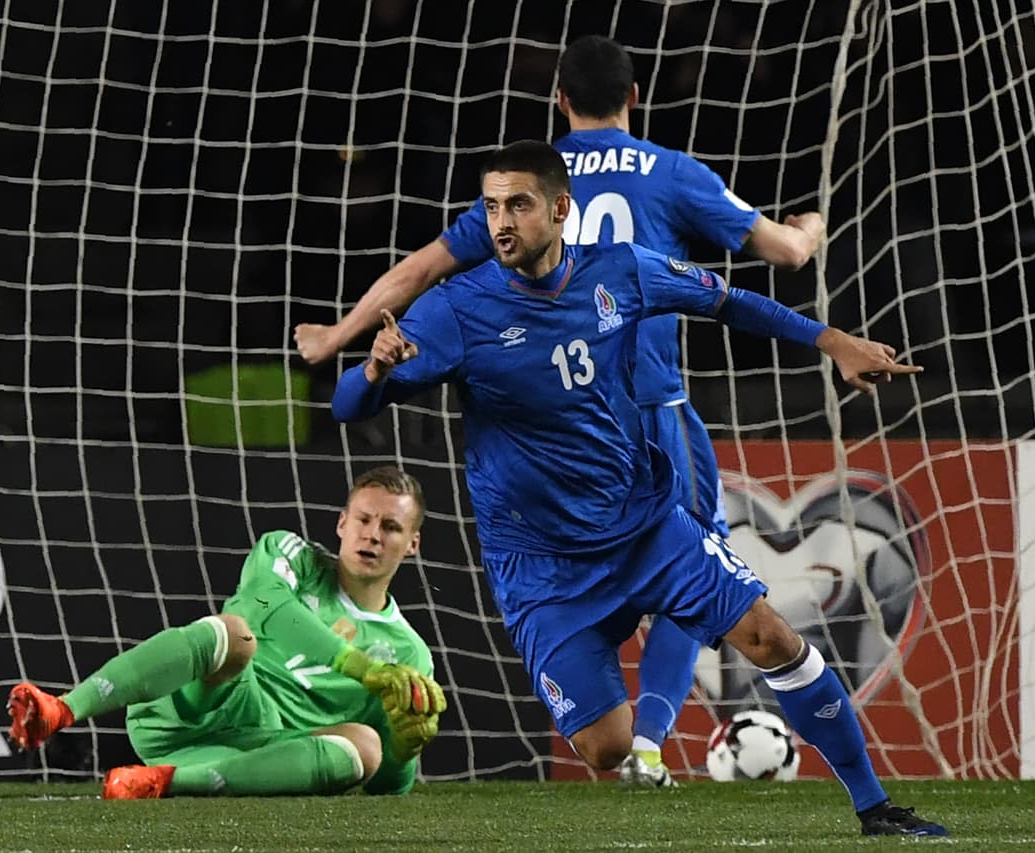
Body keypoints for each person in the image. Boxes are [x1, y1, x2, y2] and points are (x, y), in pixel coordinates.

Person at [331, 141, 947, 837]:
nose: (502, 221)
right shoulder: (457, 311)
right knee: (606, 746)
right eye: (492, 206)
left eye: (519, 205)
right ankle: (629, 683)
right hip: (543, 567)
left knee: (772, 637)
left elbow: (730, 300)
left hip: (647, 528)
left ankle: (875, 806)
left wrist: (830, 339)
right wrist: (375, 370)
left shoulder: (618, 271)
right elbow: (348, 406)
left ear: (561, 209)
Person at [297, 34, 825, 787]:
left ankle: (632, 736)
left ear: (560, 101)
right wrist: (808, 229)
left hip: (555, 411)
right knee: (701, 565)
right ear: (634, 97)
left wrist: (340, 337)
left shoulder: (527, 185)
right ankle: (644, 737)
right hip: (654, 408)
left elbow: (418, 270)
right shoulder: (672, 173)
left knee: (631, 565)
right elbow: (782, 256)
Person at [6, 466, 447, 799]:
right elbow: (269, 607)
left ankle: (166, 783)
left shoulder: (409, 653)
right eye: (364, 520)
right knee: (236, 635)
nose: (372, 536)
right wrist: (359, 666)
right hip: (191, 710)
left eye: (390, 527)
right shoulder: (290, 555)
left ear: (412, 543)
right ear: (341, 523)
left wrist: (404, 750)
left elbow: (386, 788)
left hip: (259, 755)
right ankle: (60, 710)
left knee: (366, 746)